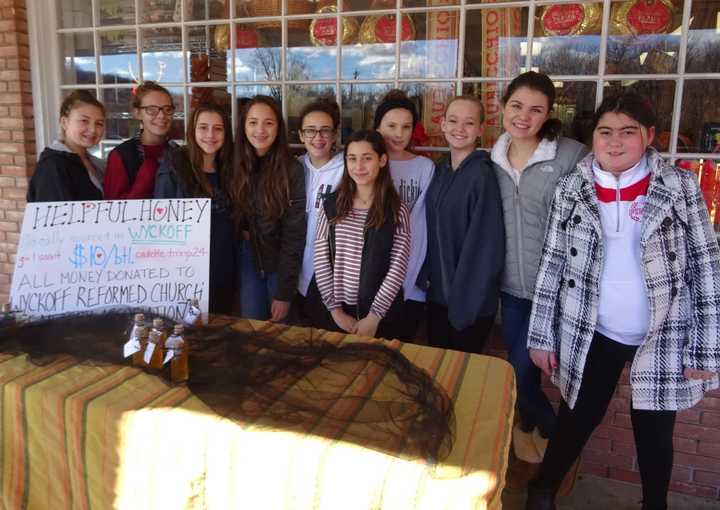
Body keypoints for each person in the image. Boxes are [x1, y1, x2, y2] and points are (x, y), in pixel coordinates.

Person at [525, 93, 720, 510]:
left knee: (654, 431)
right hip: (594, 328)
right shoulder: (573, 188)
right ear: (593, 138)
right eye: (605, 132)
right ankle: (542, 489)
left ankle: (655, 505)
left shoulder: (678, 186)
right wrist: (541, 335)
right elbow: (552, 263)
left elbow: (706, 267)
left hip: (663, 332)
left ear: (649, 137)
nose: (615, 143)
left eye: (628, 132)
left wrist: (705, 348)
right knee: (577, 418)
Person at [490, 71, 589, 463]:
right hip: (512, 291)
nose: (523, 116)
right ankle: (541, 438)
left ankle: (557, 445)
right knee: (523, 375)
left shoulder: (571, 155)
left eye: (536, 110)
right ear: (502, 107)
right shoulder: (492, 158)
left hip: (557, 293)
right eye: (516, 106)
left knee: (521, 374)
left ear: (548, 114)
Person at [309, 130, 410, 340]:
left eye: (367, 158)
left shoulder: (396, 210)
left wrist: (374, 316)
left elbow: (398, 267)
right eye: (352, 159)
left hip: (381, 315)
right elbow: (320, 259)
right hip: (337, 313)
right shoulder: (331, 205)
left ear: (382, 160)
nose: (358, 166)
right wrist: (335, 311)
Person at [423, 95, 504, 354]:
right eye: (453, 121)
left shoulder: (483, 175)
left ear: (481, 129)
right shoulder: (441, 170)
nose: (460, 129)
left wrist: (463, 305)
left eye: (469, 123)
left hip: (468, 304)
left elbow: (486, 248)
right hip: (438, 296)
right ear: (442, 124)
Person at [154, 102, 237, 314]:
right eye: (203, 127)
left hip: (225, 264)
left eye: (218, 128)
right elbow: (162, 225)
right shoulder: (175, 166)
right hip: (187, 268)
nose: (210, 134)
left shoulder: (231, 167)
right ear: (192, 131)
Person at [231, 95, 305, 321]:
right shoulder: (234, 162)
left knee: (279, 328)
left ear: (278, 128)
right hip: (247, 257)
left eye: (268, 123)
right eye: (253, 122)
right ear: (243, 126)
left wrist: (284, 292)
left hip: (278, 259)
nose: (260, 130)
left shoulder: (291, 168)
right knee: (251, 324)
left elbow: (294, 233)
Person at [374, 90, 434, 340]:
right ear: (377, 126)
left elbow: (420, 229)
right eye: (391, 126)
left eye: (406, 126)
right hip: (372, 280)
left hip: (411, 280)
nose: (399, 134)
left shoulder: (424, 167)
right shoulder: (368, 163)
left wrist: (412, 280)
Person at [296, 98, 344, 321]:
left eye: (325, 131)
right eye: (310, 131)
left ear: (334, 135)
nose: (318, 138)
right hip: (295, 268)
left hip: (331, 273)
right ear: (300, 135)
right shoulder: (293, 168)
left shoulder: (347, 169)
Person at [27, 90, 106, 202]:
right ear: (64, 122)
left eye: (99, 123)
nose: (93, 130)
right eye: (84, 121)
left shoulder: (98, 164)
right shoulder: (52, 166)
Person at [104, 81, 175, 199]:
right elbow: (112, 209)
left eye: (167, 109)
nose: (162, 115)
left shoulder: (179, 153)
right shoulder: (121, 155)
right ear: (138, 113)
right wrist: (143, 183)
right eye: (152, 109)